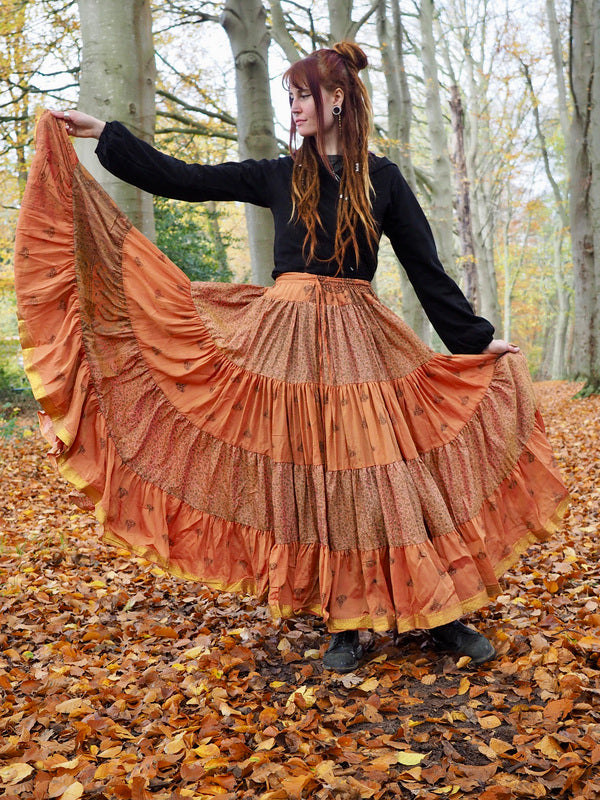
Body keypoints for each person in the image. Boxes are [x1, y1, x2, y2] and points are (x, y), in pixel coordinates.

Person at [15, 42, 568, 675]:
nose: (297, 108)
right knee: (315, 478)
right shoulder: (279, 174)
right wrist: (105, 134)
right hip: (285, 347)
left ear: (339, 98)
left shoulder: (382, 179)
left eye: (305, 95)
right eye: (292, 97)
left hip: (361, 344)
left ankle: (439, 612)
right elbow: (184, 179)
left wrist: (474, 339)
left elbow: (426, 267)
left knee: (386, 474)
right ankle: (344, 619)